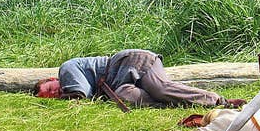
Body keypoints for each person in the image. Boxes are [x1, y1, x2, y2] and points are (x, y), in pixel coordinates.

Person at [34, 49, 244, 109]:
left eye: (52, 88)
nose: (56, 93)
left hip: (131, 61)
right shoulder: (68, 81)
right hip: (119, 84)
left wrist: (67, 97)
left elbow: (81, 94)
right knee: (126, 96)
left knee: (160, 88)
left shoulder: (67, 68)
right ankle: (177, 104)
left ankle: (219, 101)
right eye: (51, 97)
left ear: (54, 78)